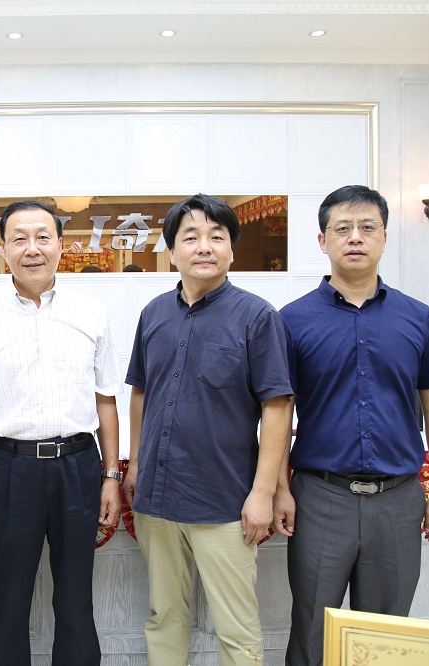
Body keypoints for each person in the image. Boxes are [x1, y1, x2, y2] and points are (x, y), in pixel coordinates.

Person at [274, 185, 429, 666]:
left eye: (367, 227)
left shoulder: (417, 318)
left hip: (398, 501)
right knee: (312, 630)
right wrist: (280, 489)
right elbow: (277, 412)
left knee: (385, 638)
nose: (355, 237)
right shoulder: (291, 321)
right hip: (321, 498)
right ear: (323, 241)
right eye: (342, 228)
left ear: (384, 237)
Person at [0, 200, 122, 666]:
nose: (32, 249)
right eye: (19, 239)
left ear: (61, 244)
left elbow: (106, 400)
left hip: (78, 467)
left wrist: (110, 477)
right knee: (7, 600)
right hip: (6, 469)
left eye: (43, 237)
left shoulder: (91, 312)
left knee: (76, 599)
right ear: (2, 248)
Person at [123, 194, 293, 666]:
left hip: (225, 502)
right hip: (157, 498)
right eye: (191, 237)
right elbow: (141, 393)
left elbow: (277, 407)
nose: (204, 247)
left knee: (236, 628)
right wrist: (135, 464)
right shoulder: (154, 313)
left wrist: (263, 493)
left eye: (217, 237)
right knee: (163, 616)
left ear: (231, 251)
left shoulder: (257, 316)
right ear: (171, 252)